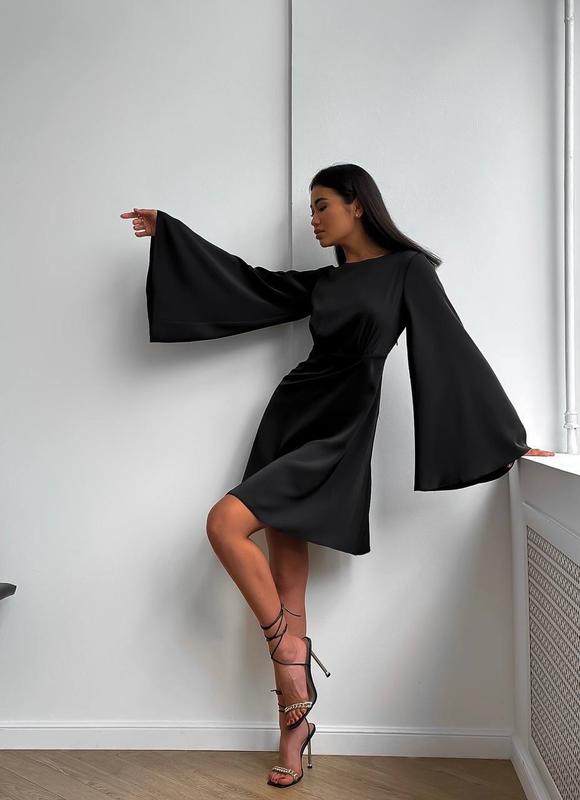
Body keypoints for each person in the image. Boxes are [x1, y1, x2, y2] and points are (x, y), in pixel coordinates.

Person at [120, 163, 553, 788]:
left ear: (357, 204)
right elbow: (249, 284)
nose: (314, 219)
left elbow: (451, 347)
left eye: (322, 205)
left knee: (223, 524)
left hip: (341, 430)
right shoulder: (324, 282)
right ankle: (295, 729)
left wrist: (509, 439)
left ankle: (291, 656)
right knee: (285, 586)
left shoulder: (408, 270)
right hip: (290, 418)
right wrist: (172, 235)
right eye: (311, 209)